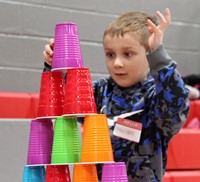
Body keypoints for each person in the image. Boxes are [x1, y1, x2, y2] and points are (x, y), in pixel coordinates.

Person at [43, 8, 189, 182]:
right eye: (110, 54)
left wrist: (158, 55)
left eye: (128, 54)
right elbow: (66, 102)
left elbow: (176, 104)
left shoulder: (155, 96)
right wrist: (54, 65)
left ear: (148, 53)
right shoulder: (100, 91)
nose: (117, 63)